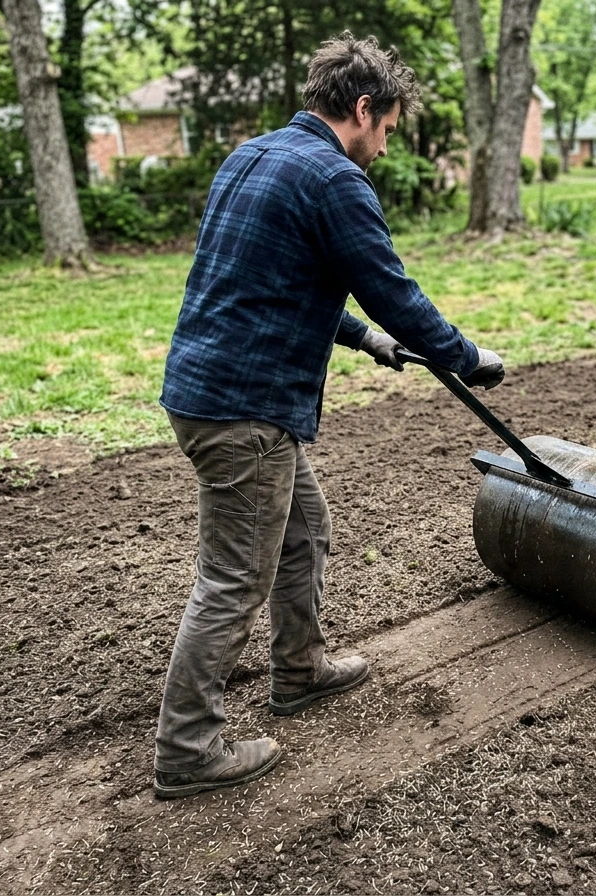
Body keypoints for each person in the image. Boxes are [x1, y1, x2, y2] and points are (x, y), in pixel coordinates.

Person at [151, 32, 504, 800]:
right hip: (245, 408)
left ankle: (301, 669)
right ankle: (187, 747)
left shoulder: (252, 155)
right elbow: (393, 290)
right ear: (365, 108)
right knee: (233, 579)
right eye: (386, 132)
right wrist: (466, 355)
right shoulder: (336, 179)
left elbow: (274, 277)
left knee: (304, 530)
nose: (381, 150)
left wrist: (365, 340)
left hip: (209, 391)